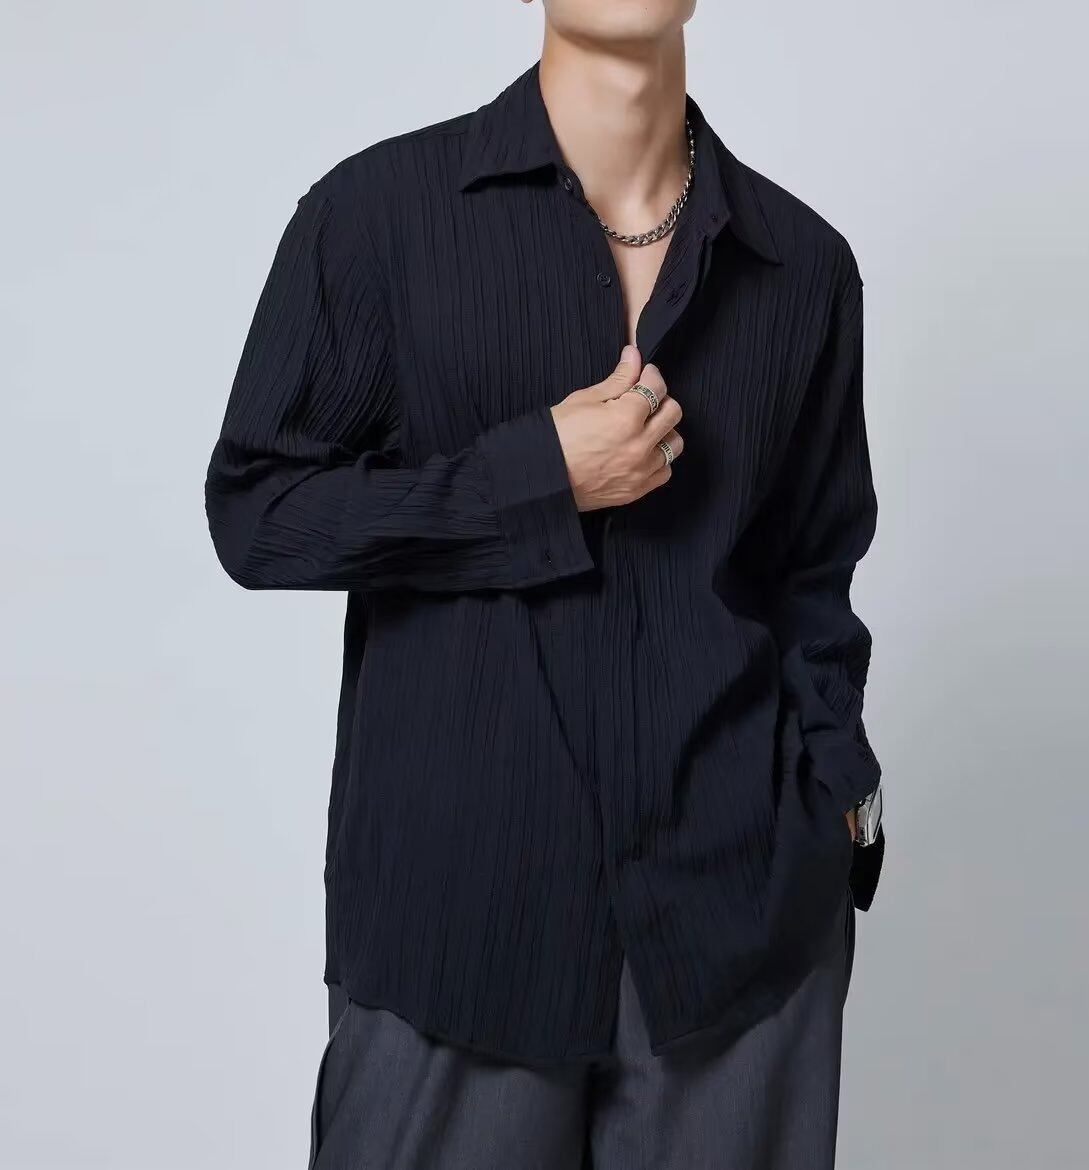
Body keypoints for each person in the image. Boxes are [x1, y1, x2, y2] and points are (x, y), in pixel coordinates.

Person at [205, 1, 886, 1166]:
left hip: (741, 928)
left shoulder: (803, 266)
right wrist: (537, 480)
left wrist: (836, 802)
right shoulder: (378, 217)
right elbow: (258, 513)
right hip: (457, 922)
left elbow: (813, 571)